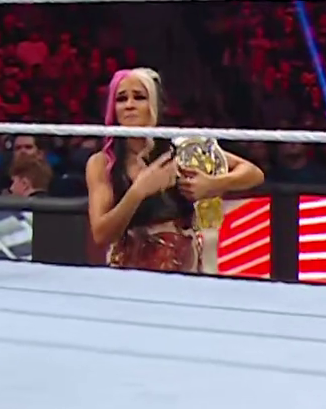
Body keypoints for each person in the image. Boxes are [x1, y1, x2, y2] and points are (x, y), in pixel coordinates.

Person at [84, 67, 262, 273]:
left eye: (139, 97)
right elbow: (101, 235)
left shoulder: (179, 148)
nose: (129, 105)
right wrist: (138, 192)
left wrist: (212, 184)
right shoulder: (102, 163)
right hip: (129, 272)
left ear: (154, 105)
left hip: (181, 268)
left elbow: (253, 173)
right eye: (121, 99)